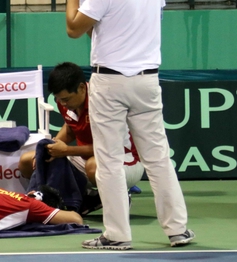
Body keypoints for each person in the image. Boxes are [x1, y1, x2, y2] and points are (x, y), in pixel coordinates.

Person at [65, 0, 194, 250]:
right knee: (159, 157)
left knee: (108, 160)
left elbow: (73, 28)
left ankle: (117, 235)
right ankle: (177, 229)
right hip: (148, 79)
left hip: (110, 81)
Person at [18, 62, 143, 212]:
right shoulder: (65, 102)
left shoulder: (102, 102)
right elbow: (70, 129)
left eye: (67, 99)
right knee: (28, 161)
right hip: (86, 157)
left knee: (93, 166)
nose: (63, 104)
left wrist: (65, 151)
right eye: (59, 99)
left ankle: (120, 198)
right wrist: (49, 148)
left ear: (82, 88)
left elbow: (106, 147)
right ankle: (86, 199)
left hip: (125, 159)